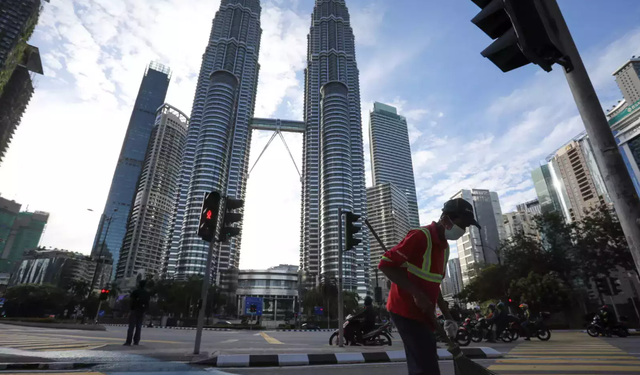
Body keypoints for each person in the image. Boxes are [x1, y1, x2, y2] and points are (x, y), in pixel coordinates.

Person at [379, 198, 481, 375]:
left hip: (425, 312)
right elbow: (386, 265)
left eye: (466, 228)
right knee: (426, 364)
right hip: (404, 309)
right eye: (461, 225)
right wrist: (417, 294)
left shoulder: (444, 248)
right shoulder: (420, 236)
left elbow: (435, 286)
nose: (463, 231)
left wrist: (448, 317)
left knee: (424, 359)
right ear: (446, 219)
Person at [124, 280, 150, 346]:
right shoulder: (146, 293)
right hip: (142, 311)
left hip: (134, 310)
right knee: (139, 326)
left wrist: (130, 308)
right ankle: (136, 341)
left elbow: (131, 300)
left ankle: (128, 341)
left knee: (131, 327)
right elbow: (147, 303)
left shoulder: (136, 292)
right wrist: (145, 310)